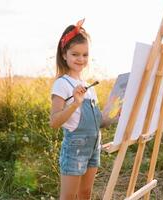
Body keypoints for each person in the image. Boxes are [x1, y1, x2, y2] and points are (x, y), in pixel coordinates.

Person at [50, 19, 102, 200]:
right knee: (69, 197)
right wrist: (75, 103)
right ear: (64, 54)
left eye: (85, 55)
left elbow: (97, 122)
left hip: (94, 147)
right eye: (75, 54)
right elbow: (54, 122)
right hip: (75, 147)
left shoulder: (90, 86)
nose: (81, 59)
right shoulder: (62, 84)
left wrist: (116, 115)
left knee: (85, 194)